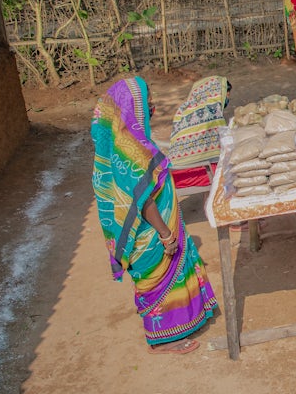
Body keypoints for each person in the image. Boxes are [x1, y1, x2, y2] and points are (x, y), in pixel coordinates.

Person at [91, 77, 218, 354]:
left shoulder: (126, 142)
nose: (152, 107)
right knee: (155, 279)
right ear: (130, 107)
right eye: (145, 103)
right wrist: (165, 234)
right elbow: (142, 198)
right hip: (150, 233)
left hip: (155, 228)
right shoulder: (130, 149)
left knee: (164, 277)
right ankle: (164, 340)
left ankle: (179, 323)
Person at [168, 76, 231, 169]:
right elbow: (226, 147)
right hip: (200, 174)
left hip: (175, 173)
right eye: (227, 94)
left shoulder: (184, 111)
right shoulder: (213, 114)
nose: (228, 98)